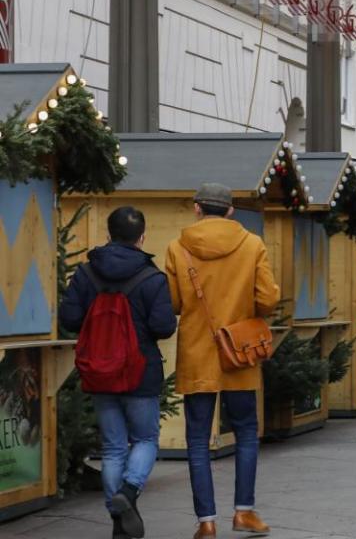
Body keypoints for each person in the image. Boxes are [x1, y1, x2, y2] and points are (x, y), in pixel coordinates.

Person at [165, 183, 280, 539]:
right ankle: (244, 512)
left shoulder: (177, 248)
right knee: (246, 431)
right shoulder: (252, 245)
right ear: (230, 210)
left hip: (198, 354)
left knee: (197, 439)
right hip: (240, 354)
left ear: (197, 208)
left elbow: (173, 305)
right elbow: (268, 300)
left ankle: (206, 522)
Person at [59, 206, 177, 539]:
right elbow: (163, 326)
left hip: (99, 370)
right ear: (142, 237)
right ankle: (128, 492)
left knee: (112, 447)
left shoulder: (85, 274)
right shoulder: (152, 277)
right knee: (145, 438)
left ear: (108, 235)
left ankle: (118, 520)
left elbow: (69, 320)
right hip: (141, 370)